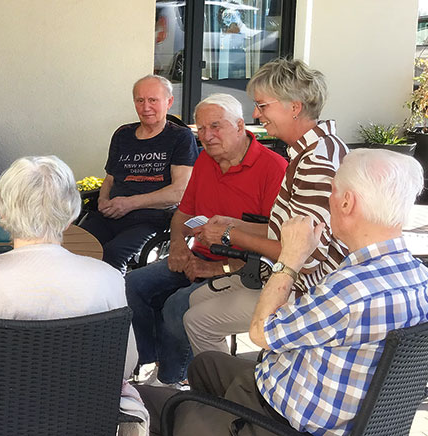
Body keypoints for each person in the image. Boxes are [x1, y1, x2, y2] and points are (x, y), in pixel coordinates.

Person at [137, 149, 428, 436]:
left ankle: (215, 421)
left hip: (278, 418)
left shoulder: (350, 289)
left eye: (333, 192)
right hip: (309, 387)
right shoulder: (420, 276)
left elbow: (262, 333)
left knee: (143, 401)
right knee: (204, 364)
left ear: (347, 202)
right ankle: (214, 415)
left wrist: (290, 257)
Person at [0, 156, 148, 433]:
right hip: (78, 425)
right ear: (71, 214)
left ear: (3, 216)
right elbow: (124, 367)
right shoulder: (109, 280)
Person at [184, 59, 349, 357]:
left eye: (262, 105)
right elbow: (285, 230)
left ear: (294, 107)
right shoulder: (317, 148)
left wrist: (229, 236)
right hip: (283, 275)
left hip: (306, 294)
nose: (257, 115)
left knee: (195, 320)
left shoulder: (316, 162)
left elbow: (303, 253)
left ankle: (223, 392)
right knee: (195, 302)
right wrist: (233, 224)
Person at [125, 94, 287, 387]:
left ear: (240, 126)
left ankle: (172, 379)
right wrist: (177, 248)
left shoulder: (273, 168)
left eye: (216, 127)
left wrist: (218, 268)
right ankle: (153, 359)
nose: (207, 136)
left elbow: (278, 237)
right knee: (134, 284)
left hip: (243, 270)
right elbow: (183, 215)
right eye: (200, 129)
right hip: (196, 257)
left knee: (177, 306)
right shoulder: (204, 161)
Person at [80, 75, 198, 273]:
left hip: (151, 220)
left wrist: (129, 203)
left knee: (112, 255)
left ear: (169, 102)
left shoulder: (179, 137)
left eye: (153, 100)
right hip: (110, 215)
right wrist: (102, 200)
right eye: (140, 100)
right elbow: (110, 179)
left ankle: (116, 304)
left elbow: (179, 191)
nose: (146, 107)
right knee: (75, 249)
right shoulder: (123, 134)